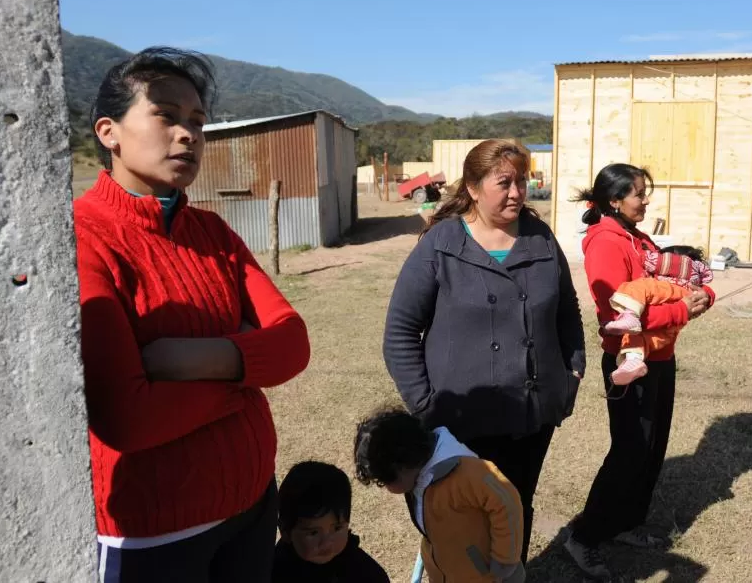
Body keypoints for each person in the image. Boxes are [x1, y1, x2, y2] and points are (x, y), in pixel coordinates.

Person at [76, 47, 311, 582]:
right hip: (153, 534)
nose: (188, 134)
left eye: (198, 122)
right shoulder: (83, 237)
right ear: (109, 131)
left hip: (252, 504)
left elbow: (293, 344)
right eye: (166, 115)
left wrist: (192, 358)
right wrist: (246, 378)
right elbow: (128, 419)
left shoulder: (214, 234)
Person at [382, 139, 585, 563]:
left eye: (522, 181)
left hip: (531, 416)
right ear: (473, 188)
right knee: (461, 518)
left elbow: (568, 310)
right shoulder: (441, 245)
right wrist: (426, 406)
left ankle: (512, 572)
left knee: (515, 506)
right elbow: (400, 332)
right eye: (504, 182)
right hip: (461, 421)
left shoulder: (540, 238)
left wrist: (572, 374)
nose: (517, 192)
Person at [564, 164, 712, 579]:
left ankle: (625, 524)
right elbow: (617, 308)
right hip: (631, 358)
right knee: (629, 450)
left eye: (646, 193)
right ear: (614, 201)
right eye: (639, 194)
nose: (646, 201)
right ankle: (585, 535)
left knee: (651, 448)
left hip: (662, 355)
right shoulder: (606, 242)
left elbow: (670, 277)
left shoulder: (638, 236)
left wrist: (701, 292)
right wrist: (682, 309)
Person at [354, 408, 525, 583]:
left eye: (386, 481)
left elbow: (507, 503)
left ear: (404, 464)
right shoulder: (419, 477)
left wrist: (504, 559)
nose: (388, 489)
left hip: (483, 576)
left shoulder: (467, 473)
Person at [603, 246, 715, 385]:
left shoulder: (669, 281)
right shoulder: (609, 241)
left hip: (661, 334)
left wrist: (706, 296)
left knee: (636, 287)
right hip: (667, 334)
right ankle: (633, 362)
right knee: (639, 337)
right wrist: (707, 295)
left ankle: (630, 315)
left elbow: (653, 262)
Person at [273, 461, 390, 583]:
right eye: (313, 533)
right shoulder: (274, 572)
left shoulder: (364, 572)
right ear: (285, 531)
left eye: (337, 528)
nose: (326, 543)